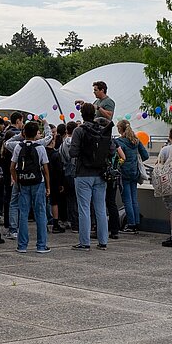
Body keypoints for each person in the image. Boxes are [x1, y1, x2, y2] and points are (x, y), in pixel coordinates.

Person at [70, 103, 113, 251]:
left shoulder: (79, 131)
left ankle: (84, 242)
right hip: (100, 173)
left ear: (81, 114)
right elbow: (112, 149)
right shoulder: (103, 129)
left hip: (83, 173)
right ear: (95, 113)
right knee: (101, 208)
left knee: (84, 208)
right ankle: (103, 241)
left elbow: (73, 152)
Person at [10, 121, 51, 253]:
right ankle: (41, 245)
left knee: (23, 213)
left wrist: (17, 181)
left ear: (24, 133)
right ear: (36, 134)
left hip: (23, 182)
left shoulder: (18, 147)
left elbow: (12, 167)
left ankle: (22, 245)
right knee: (40, 213)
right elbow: (45, 169)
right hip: (38, 182)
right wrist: (48, 187)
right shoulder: (40, 148)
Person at [115, 119, 149, 233]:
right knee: (134, 199)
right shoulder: (136, 140)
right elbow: (145, 156)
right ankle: (136, 222)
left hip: (124, 174)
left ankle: (130, 224)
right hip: (134, 173)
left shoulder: (119, 142)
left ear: (120, 129)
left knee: (127, 200)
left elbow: (118, 159)